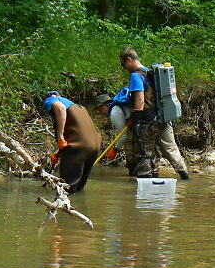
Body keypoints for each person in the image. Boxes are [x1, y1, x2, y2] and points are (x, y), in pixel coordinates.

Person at [115, 48, 190, 179]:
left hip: (148, 120)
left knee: (145, 152)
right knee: (170, 148)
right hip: (162, 117)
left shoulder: (136, 76)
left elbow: (139, 99)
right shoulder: (151, 73)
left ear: (129, 60)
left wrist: (136, 121)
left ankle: (146, 182)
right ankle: (184, 176)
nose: (124, 68)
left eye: (123, 64)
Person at [43, 91, 102, 193]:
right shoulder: (78, 107)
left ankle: (64, 207)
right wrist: (59, 153)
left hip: (79, 146)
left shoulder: (50, 100)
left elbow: (60, 109)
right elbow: (78, 132)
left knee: (67, 188)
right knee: (79, 188)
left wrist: (60, 136)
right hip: (95, 146)